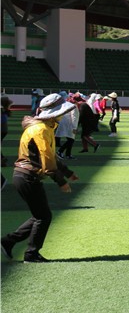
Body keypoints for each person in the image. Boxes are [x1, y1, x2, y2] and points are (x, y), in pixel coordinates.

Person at [1, 94, 78, 263]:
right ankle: (31, 254)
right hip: (27, 176)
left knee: (40, 215)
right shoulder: (41, 129)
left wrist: (67, 172)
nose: (63, 115)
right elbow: (48, 159)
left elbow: (50, 156)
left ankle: (9, 241)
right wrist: (61, 181)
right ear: (54, 113)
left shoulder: (43, 127)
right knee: (43, 216)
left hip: (24, 176)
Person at [55, 92, 79, 160]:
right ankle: (60, 151)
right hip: (69, 124)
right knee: (71, 140)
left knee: (70, 140)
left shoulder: (59, 105)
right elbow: (74, 117)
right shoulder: (72, 105)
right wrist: (74, 127)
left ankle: (68, 154)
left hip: (60, 124)